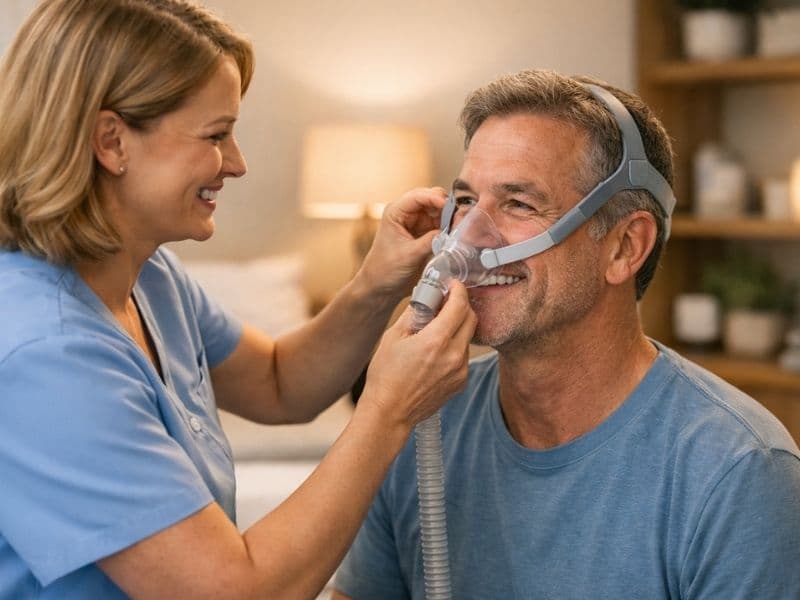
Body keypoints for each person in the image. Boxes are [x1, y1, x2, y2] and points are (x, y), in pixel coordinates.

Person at [0, 1, 477, 598]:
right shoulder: (44, 355)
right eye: (216, 134)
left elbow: (281, 382)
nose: (238, 163)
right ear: (111, 141)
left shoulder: (149, 278)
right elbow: (234, 592)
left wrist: (375, 283)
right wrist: (390, 408)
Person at [333, 69, 800, 599]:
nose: (467, 238)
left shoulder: (736, 474)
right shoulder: (420, 424)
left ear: (625, 247)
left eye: (520, 204)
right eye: (464, 201)